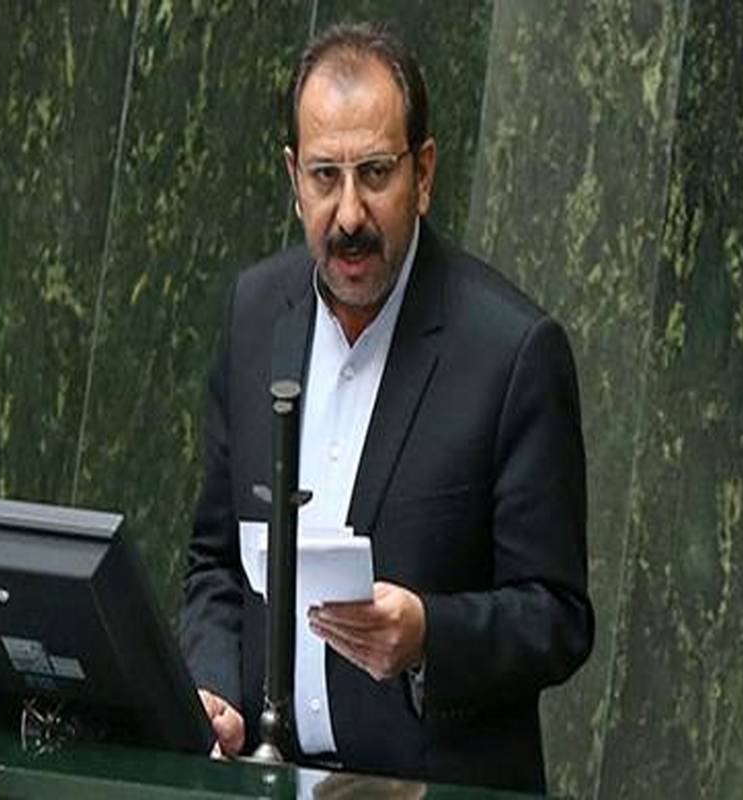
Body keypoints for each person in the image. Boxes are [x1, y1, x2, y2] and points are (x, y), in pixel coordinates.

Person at [180, 21, 593, 793]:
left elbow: (557, 616)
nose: (348, 215)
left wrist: (430, 634)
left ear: (423, 173)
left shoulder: (512, 352)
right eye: (324, 177)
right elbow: (216, 565)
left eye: (374, 174)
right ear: (292, 177)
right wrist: (215, 691)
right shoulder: (255, 313)